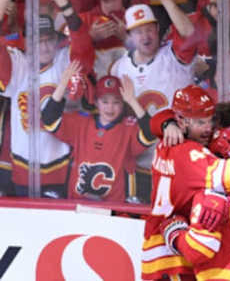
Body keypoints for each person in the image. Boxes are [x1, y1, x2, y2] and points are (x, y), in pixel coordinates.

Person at [142, 84, 230, 280]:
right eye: (200, 123)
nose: (208, 129)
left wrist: (166, 123)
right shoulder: (189, 154)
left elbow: (158, 118)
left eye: (210, 121)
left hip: (162, 248)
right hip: (174, 255)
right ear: (181, 121)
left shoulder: (166, 140)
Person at [0, 0, 94, 197]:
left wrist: (63, 2)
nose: (43, 47)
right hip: (24, 171)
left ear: (56, 41)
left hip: (62, 168)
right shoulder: (19, 64)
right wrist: (2, 4)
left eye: (48, 40)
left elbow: (82, 43)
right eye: (37, 42)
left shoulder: (63, 61)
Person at [110, 0, 196, 203]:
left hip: (179, 163)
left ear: (158, 30)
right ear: (129, 35)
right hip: (140, 165)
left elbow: (188, 34)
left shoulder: (173, 56)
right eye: (139, 31)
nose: (145, 36)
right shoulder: (119, 68)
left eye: (149, 29)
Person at [41, 63, 156, 202]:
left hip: (115, 207)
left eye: (116, 102)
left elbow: (151, 132)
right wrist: (62, 85)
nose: (110, 107)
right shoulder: (81, 122)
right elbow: (48, 119)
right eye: (105, 101)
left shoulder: (129, 127)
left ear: (123, 104)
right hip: (78, 204)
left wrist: (132, 101)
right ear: (96, 102)